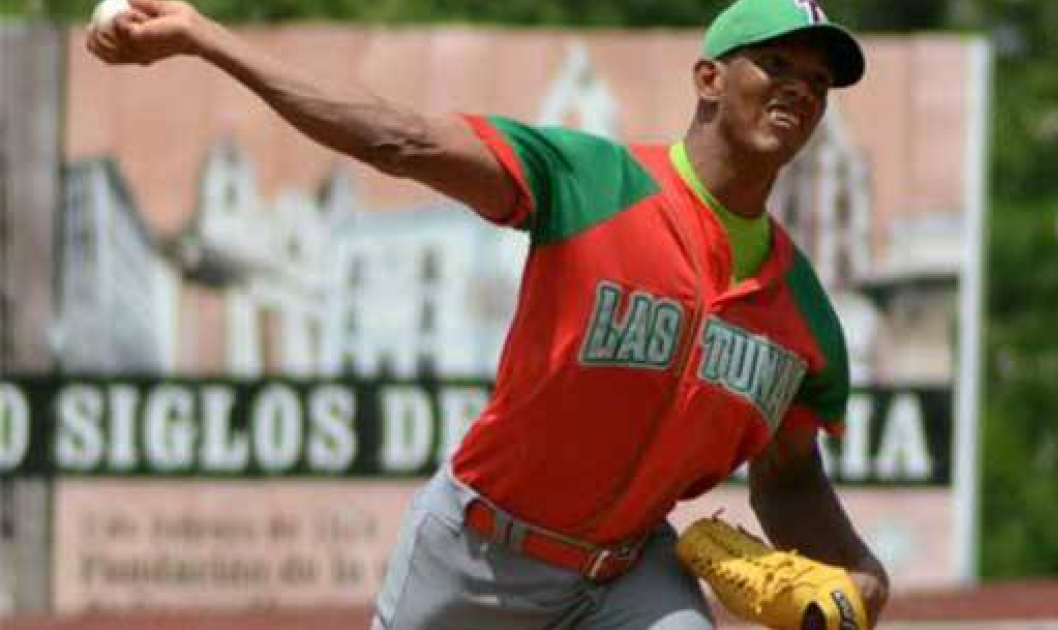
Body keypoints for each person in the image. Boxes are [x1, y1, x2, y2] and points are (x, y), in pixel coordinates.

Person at [89, 0, 889, 627]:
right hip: (475, 556)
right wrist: (205, 37)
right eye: (776, 62)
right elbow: (397, 141)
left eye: (818, 81)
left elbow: (787, 479)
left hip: (627, 577)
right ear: (709, 78)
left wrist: (858, 574)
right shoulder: (591, 183)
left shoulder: (805, 319)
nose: (799, 87)